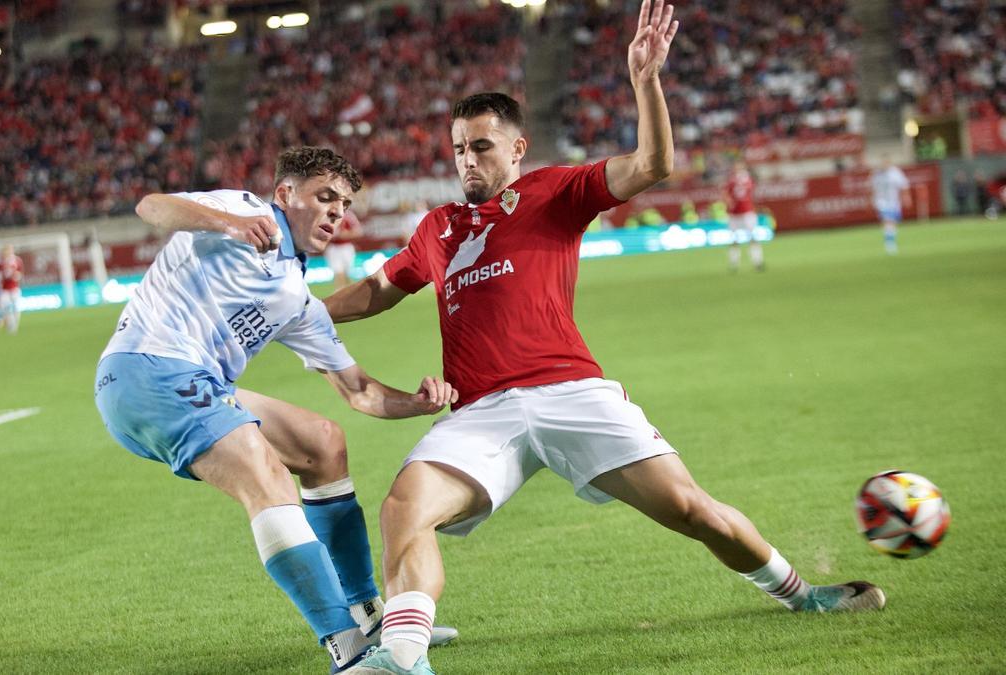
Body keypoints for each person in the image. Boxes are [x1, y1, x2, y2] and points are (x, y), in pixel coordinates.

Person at [326, 5, 884, 674]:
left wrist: (645, 82)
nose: (465, 159)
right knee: (403, 506)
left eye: (480, 145)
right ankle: (405, 655)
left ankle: (802, 594)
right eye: (456, 148)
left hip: (570, 389)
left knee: (690, 508)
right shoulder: (436, 227)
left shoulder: (555, 193)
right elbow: (376, 291)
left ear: (516, 148)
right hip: (481, 413)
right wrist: (304, 313)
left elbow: (653, 164)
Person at [94, 147, 458, 673]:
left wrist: (418, 402)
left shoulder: (296, 297)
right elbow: (152, 207)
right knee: (266, 474)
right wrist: (229, 222)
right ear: (286, 195)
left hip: (200, 381)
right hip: (145, 370)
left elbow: (359, 392)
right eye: (325, 197)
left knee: (322, 442)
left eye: (344, 203)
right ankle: (349, 651)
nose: (336, 211)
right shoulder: (244, 209)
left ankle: (368, 614)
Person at [723, 159, 764, 271]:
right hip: (735, 214)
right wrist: (729, 201)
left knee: (752, 238)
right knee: (734, 239)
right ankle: (734, 263)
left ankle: (757, 261)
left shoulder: (745, 179)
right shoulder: (733, 180)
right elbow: (725, 193)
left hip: (747, 212)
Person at [871, 156, 912, 254]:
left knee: (892, 222)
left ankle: (891, 241)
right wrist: (871, 200)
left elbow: (904, 185)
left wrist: (906, 197)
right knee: (888, 221)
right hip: (881, 202)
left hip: (894, 202)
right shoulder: (877, 174)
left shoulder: (895, 173)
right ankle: (890, 244)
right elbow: (873, 187)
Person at [325, 209, 364, 290]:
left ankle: (347, 292)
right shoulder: (327, 215)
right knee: (338, 272)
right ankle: (339, 292)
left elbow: (358, 231)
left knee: (347, 273)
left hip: (346, 247)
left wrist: (345, 235)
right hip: (333, 248)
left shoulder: (348, 215)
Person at [0, 245, 23, 332]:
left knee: (16, 307)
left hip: (14, 288)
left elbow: (20, 273)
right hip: (5, 289)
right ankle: (11, 325)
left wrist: (17, 276)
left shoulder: (17, 260)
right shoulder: (1, 263)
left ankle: (15, 324)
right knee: (6, 307)